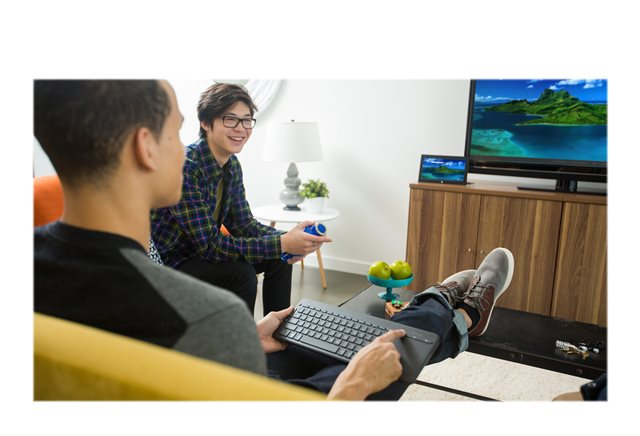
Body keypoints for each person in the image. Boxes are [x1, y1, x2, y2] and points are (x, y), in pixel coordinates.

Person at [33, 80, 514, 400]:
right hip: (207, 319)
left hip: (199, 366)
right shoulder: (206, 317)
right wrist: (352, 388)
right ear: (146, 147)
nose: (184, 148)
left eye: (248, 120)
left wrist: (282, 244)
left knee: (308, 339)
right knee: (381, 355)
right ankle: (454, 312)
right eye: (175, 131)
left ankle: (445, 310)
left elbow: (243, 224)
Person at [150, 83, 330, 316]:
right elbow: (211, 247)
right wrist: (282, 243)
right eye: (230, 119)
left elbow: (244, 225)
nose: (241, 128)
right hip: (173, 261)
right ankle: (246, 338)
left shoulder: (231, 165)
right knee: (242, 273)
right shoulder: (187, 166)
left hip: (202, 252)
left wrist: (289, 239)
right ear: (205, 123)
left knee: (279, 259)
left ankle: (277, 330)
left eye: (246, 120)